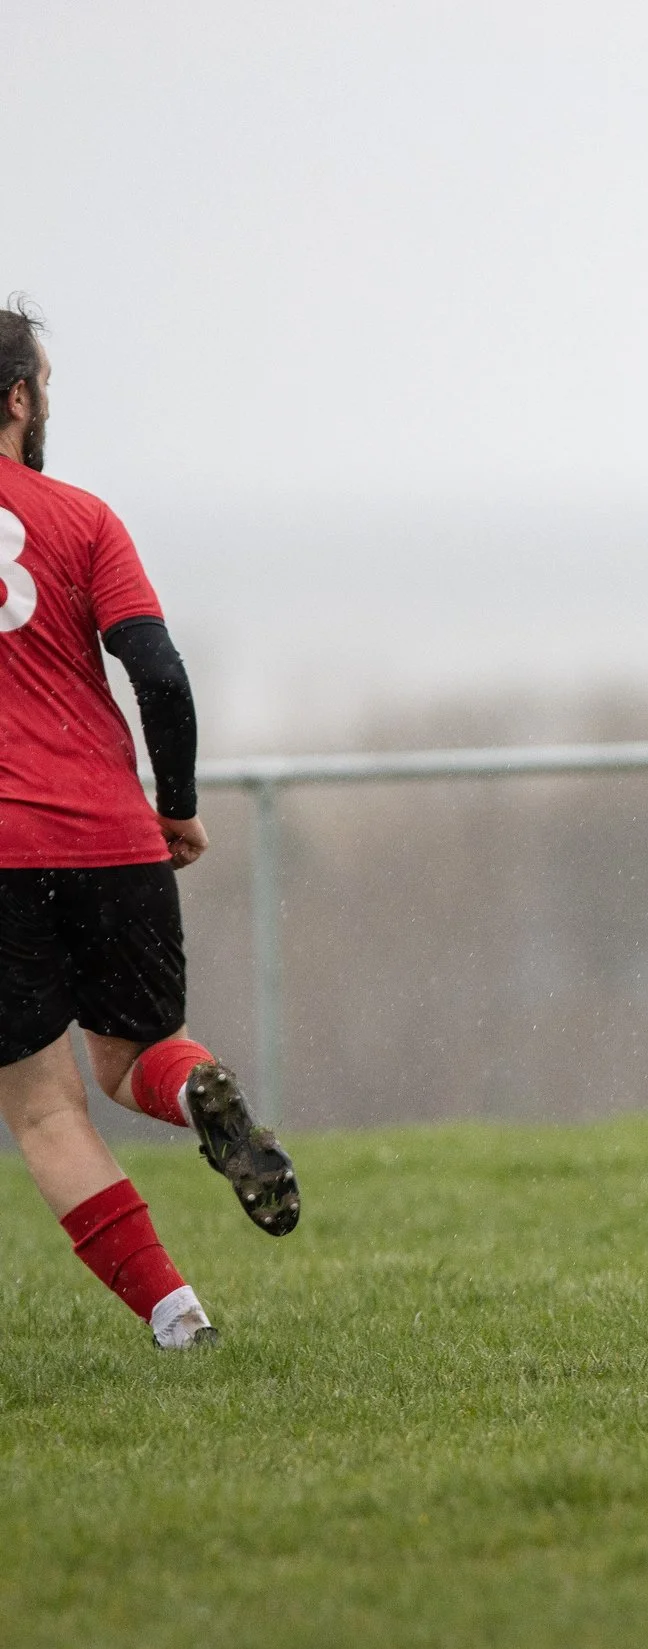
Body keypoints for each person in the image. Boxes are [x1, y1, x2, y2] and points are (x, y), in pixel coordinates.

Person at [0, 302, 299, 1351]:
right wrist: (174, 802)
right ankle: (203, 1094)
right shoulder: (84, 519)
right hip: (109, 840)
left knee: (46, 1113)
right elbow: (159, 674)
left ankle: (181, 1322)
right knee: (135, 1061)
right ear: (21, 399)